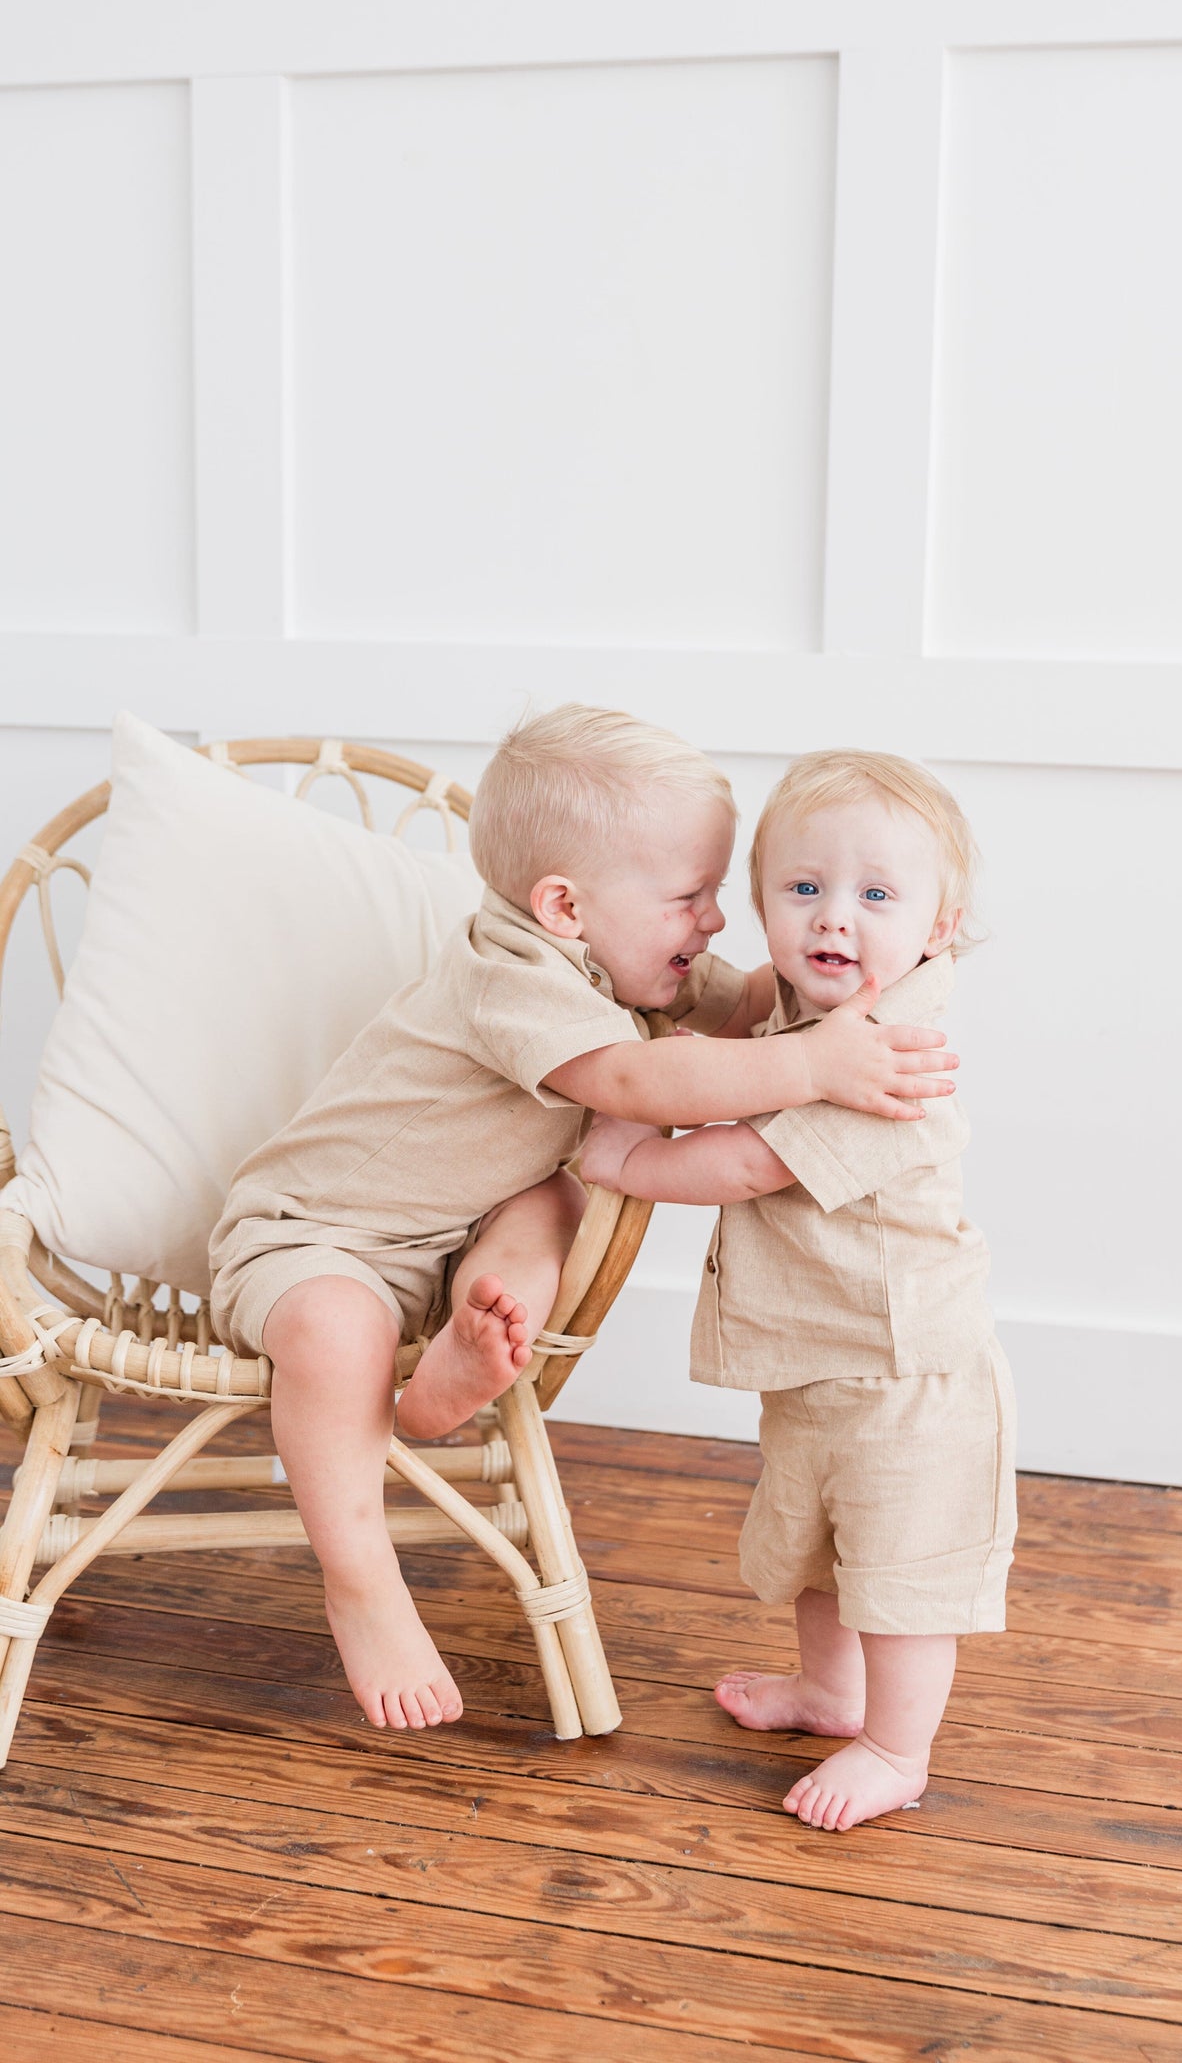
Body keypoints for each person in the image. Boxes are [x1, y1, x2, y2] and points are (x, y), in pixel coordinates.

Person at [208, 708, 959, 1735]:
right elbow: (633, 1076)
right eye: (689, 898)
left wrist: (848, 976)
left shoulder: (622, 954)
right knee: (337, 1326)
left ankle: (449, 1378)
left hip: (452, 1237)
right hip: (317, 1233)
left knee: (547, 1198)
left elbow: (739, 1005)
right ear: (562, 906)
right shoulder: (505, 971)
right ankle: (362, 1581)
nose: (710, 923)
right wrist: (811, 1064)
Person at [579, 749, 1016, 1831]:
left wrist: (625, 1157)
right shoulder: (802, 1000)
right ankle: (831, 1693)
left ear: (938, 921)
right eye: (802, 887)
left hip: (907, 1374)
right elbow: (730, 1000)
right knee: (816, 1547)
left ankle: (895, 1746)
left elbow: (747, 1161)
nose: (834, 917)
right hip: (820, 1364)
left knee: (899, 1572)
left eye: (874, 895)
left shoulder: (888, 1055)